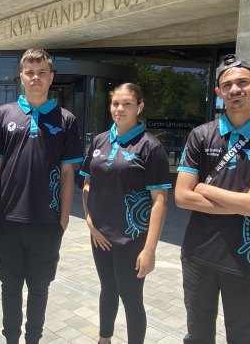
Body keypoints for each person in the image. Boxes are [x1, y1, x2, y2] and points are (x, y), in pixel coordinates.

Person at [174, 54, 250, 344]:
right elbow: (181, 196)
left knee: (242, 337)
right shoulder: (201, 135)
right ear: (218, 92)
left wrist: (206, 189)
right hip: (197, 254)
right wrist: (243, 202)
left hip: (248, 258)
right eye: (227, 85)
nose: (235, 90)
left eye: (242, 82)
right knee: (198, 336)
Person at [0, 48, 83, 344]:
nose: (36, 77)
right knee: (10, 288)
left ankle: (33, 340)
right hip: (6, 220)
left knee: (40, 289)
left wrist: (64, 218)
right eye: (30, 72)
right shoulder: (4, 114)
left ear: (52, 77)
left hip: (47, 222)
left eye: (42, 72)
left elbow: (68, 174)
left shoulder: (66, 119)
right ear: (21, 77)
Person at [80, 83, 170, 344]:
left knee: (131, 298)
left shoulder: (150, 147)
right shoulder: (99, 140)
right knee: (107, 290)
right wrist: (89, 219)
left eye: (127, 103)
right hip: (100, 235)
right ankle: (104, 339)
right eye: (115, 103)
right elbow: (87, 182)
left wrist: (149, 249)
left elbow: (160, 201)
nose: (119, 109)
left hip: (131, 239)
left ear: (139, 107)